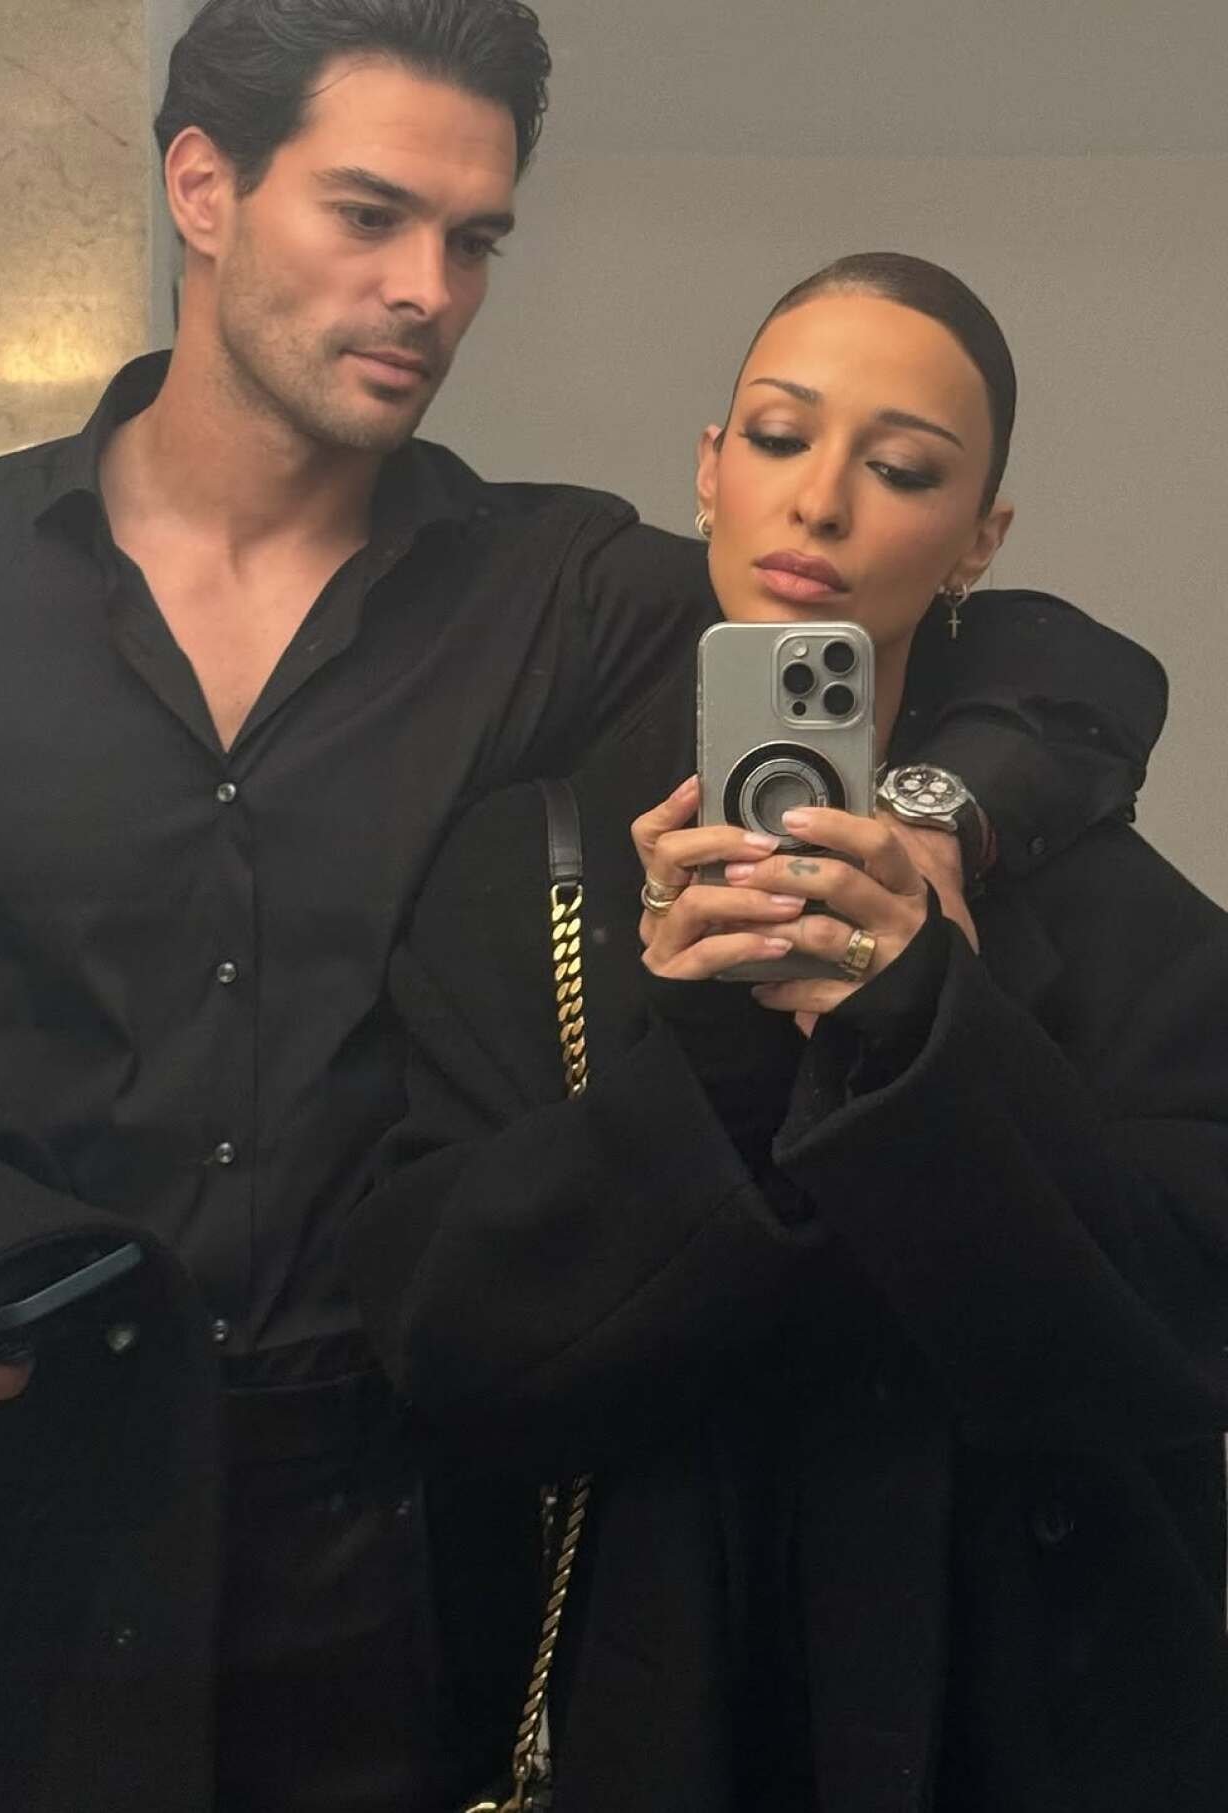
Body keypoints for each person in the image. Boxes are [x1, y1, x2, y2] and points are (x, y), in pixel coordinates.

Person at [0, 0, 1166, 1799]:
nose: (428, 289)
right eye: (371, 214)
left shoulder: (558, 588)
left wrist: (950, 809)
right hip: (11, 1505)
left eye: (474, 240)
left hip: (395, 1541)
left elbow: (1039, 654)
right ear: (203, 187)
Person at [340, 254, 1228, 1813]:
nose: (820, 501)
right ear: (708, 470)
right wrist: (712, 1049)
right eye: (776, 435)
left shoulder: (1104, 906)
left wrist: (923, 1020)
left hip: (1017, 1708)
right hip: (657, 1689)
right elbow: (454, 1346)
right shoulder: (529, 871)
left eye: (904, 470)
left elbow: (1168, 1344)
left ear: (979, 540)